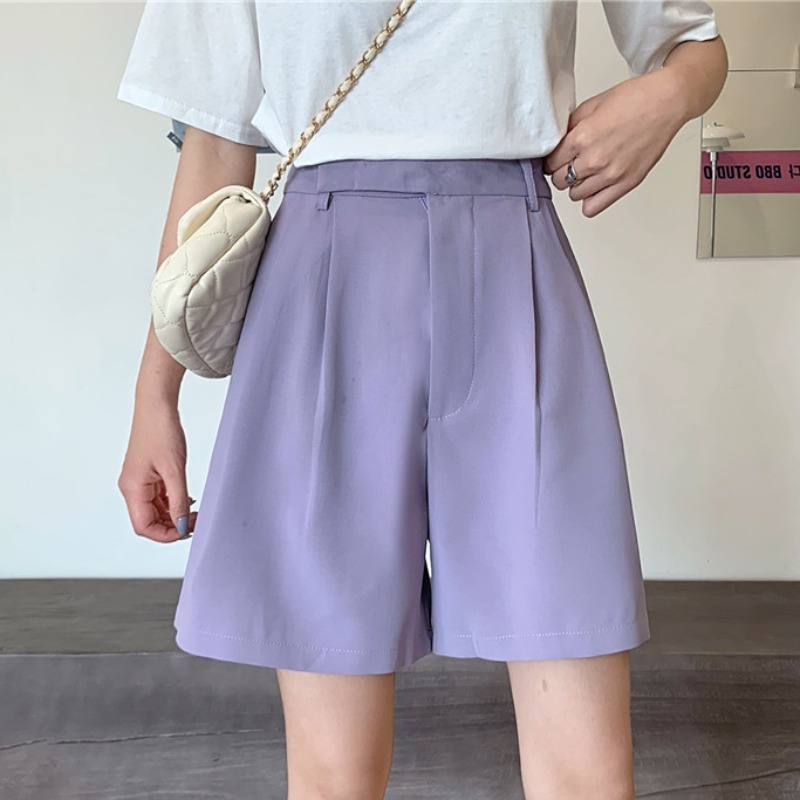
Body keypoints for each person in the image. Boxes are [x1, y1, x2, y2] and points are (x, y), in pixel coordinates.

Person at [116, 2, 728, 798]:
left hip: (515, 275)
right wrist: (155, 395)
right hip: (324, 289)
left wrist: (667, 97)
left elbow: (696, 47)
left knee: (587, 768)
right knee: (334, 776)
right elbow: (213, 140)